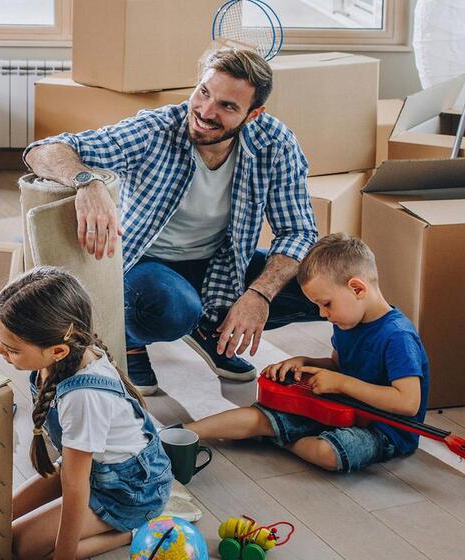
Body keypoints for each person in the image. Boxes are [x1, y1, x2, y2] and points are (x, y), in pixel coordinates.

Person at [24, 48, 322, 395]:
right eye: (204, 92)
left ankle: (211, 328)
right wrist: (86, 182)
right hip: (144, 263)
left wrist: (259, 293)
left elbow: (298, 231)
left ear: (254, 115)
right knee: (172, 307)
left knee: (321, 288)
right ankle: (130, 339)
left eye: (227, 106)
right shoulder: (155, 130)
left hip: (224, 263)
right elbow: (42, 150)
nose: (205, 112)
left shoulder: (276, 144)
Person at [0, 267, 173, 559]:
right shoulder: (56, 344)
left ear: (58, 352)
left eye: (11, 350)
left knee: (20, 546)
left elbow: (75, 489)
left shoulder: (83, 398)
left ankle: (135, 531)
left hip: (130, 493)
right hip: (92, 470)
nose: (0, 349)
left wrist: (64, 554)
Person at [185, 234, 429, 473]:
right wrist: (303, 362)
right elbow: (338, 364)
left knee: (330, 453)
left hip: (383, 430)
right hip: (338, 409)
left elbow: (407, 403)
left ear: (357, 288)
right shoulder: (347, 321)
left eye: (326, 304)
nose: (323, 314)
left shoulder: (397, 336)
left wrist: (342, 384)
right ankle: (181, 432)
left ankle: (279, 437)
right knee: (262, 415)